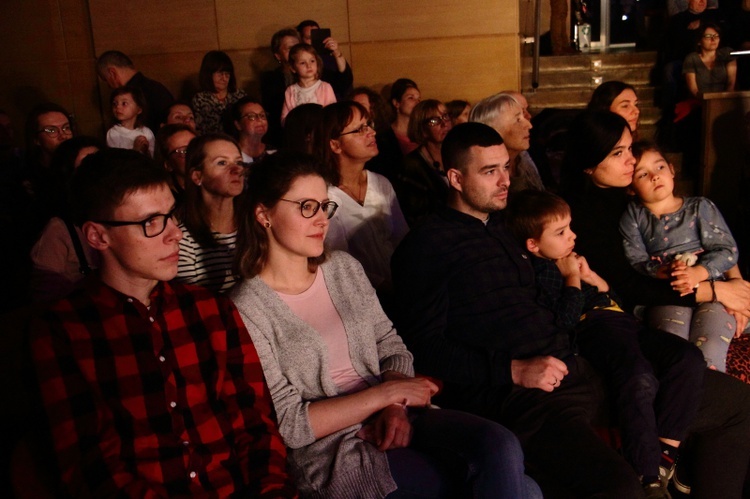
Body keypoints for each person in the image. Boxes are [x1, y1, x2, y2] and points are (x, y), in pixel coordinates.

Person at [391, 121, 750, 498]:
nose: (504, 180)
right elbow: (424, 347)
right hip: (522, 393)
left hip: (580, 359)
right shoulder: (427, 246)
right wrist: (512, 370)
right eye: (488, 171)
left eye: (505, 168)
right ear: (455, 178)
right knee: (618, 486)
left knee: (736, 404)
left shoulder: (508, 224)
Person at [229, 151, 542, 499]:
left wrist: (395, 406)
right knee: (523, 490)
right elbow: (292, 424)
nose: (322, 220)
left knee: (500, 444)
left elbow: (391, 346)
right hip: (338, 446)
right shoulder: (246, 307)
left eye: (325, 206)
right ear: (263, 214)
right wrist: (388, 394)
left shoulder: (344, 269)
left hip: (398, 413)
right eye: (307, 207)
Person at [29, 147, 295, 497]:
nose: (175, 234)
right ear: (98, 236)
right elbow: (93, 467)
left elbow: (256, 425)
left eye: (171, 215)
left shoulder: (211, 310)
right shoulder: (64, 330)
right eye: (150, 222)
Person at [564, 110, 750, 496]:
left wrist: (731, 283)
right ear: (588, 164)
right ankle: (671, 464)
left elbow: (714, 243)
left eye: (630, 148)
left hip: (671, 298)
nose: (631, 162)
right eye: (618, 154)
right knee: (718, 387)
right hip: (615, 324)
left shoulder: (629, 197)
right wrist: (711, 291)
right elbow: (631, 284)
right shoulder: (586, 211)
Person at [505, 189, 705, 497]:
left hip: (623, 321)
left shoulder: (570, 258)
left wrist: (593, 278)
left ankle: (664, 457)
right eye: (560, 232)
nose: (572, 237)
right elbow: (566, 320)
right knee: (637, 376)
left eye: (570, 227)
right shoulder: (544, 271)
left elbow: (611, 298)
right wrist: (572, 278)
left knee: (687, 357)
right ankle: (647, 475)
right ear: (533, 245)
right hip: (595, 329)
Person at [620, 140, 746, 374]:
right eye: (643, 174)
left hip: (712, 289)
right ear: (630, 187)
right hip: (667, 292)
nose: (655, 177)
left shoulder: (700, 207)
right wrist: (662, 271)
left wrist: (699, 272)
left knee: (711, 341)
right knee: (672, 341)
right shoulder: (633, 216)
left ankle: (712, 399)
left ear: (672, 169)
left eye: (659, 168)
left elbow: (727, 250)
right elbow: (635, 259)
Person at [317, 101, 409, 294]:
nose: (371, 132)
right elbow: (335, 261)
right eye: (359, 130)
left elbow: (403, 239)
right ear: (335, 145)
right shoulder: (324, 196)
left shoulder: (380, 183)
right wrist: (382, 286)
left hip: (402, 286)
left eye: (369, 125)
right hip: (361, 295)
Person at [29, 136, 102, 304]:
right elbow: (45, 300)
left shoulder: (119, 218)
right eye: (88, 165)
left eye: (101, 162)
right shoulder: (58, 230)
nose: (100, 172)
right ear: (68, 176)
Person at [174, 133, 244, 293]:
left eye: (238, 162)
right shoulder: (185, 243)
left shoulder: (254, 225)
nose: (236, 170)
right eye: (222, 163)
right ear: (197, 176)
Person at [261, 28, 353, 149]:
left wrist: (336, 52)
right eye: (290, 48)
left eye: (298, 45)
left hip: (322, 136)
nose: (296, 50)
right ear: (278, 55)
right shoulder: (279, 83)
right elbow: (283, 117)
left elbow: (343, 82)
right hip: (294, 138)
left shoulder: (323, 83)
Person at [470, 92, 544, 193]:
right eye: (518, 120)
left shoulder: (522, 159)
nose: (529, 125)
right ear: (494, 130)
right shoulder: (485, 178)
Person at [397, 99, 452, 227]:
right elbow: (417, 216)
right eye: (434, 121)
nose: (444, 123)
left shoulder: (459, 154)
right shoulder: (411, 166)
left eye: (445, 116)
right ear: (422, 129)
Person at [96, 50, 174, 131]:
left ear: (112, 73)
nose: (108, 86)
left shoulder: (135, 95)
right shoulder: (157, 87)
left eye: (106, 80)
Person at [349, 86, 403, 185]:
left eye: (361, 105)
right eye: (354, 105)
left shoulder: (384, 131)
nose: (356, 109)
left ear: (372, 108)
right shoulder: (350, 131)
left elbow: (394, 162)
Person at [191, 51, 246, 135]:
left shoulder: (239, 95)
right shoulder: (200, 99)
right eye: (220, 74)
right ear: (209, 74)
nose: (224, 78)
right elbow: (198, 129)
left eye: (227, 74)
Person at [296, 19, 354, 98]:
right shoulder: (298, 61)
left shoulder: (331, 58)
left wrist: (336, 51)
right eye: (308, 38)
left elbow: (346, 80)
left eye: (316, 36)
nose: (313, 40)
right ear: (301, 40)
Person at [280, 43, 336, 123]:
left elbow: (332, 114)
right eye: (303, 63)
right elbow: (284, 119)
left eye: (312, 61)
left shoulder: (325, 87)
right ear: (293, 68)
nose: (309, 65)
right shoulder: (291, 91)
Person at [683, 22, 737, 97]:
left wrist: (724, 100)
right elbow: (694, 90)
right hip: (700, 100)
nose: (713, 39)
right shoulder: (692, 58)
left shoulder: (727, 53)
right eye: (708, 36)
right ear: (699, 41)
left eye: (716, 36)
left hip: (724, 99)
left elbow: (731, 83)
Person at [154, 123, 196, 207]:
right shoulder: (168, 202)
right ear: (168, 164)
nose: (193, 154)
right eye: (183, 151)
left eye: (195, 146)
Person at [106, 86, 155, 157]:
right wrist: (135, 150)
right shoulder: (113, 133)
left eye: (124, 103)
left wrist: (145, 150)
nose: (118, 107)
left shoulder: (146, 132)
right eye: (115, 104)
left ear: (139, 109)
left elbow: (153, 158)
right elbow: (116, 160)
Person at [231, 97, 274, 165]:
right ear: (238, 124)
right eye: (251, 116)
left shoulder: (273, 153)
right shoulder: (231, 154)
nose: (259, 120)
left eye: (262, 115)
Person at [389, 78, 421, 155]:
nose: (417, 102)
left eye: (419, 99)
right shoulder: (386, 136)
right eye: (411, 98)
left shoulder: (423, 132)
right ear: (396, 103)